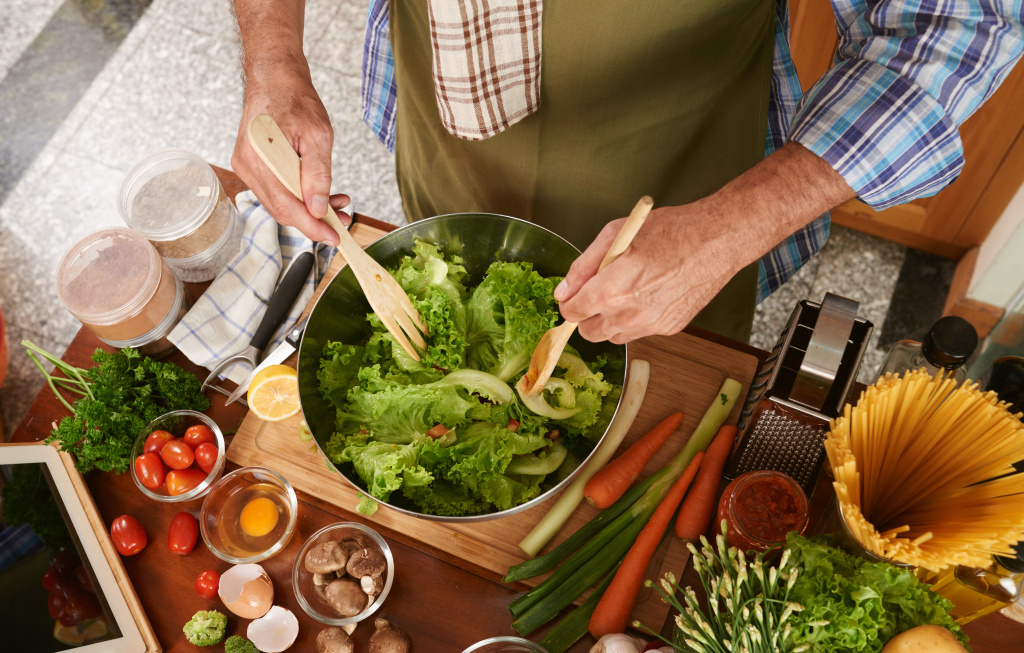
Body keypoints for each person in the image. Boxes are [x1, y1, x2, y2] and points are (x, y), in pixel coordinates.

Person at [230, 0, 1024, 345]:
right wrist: (272, 60)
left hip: (683, 154)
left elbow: (952, 26)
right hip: (447, 131)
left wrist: (732, 227)